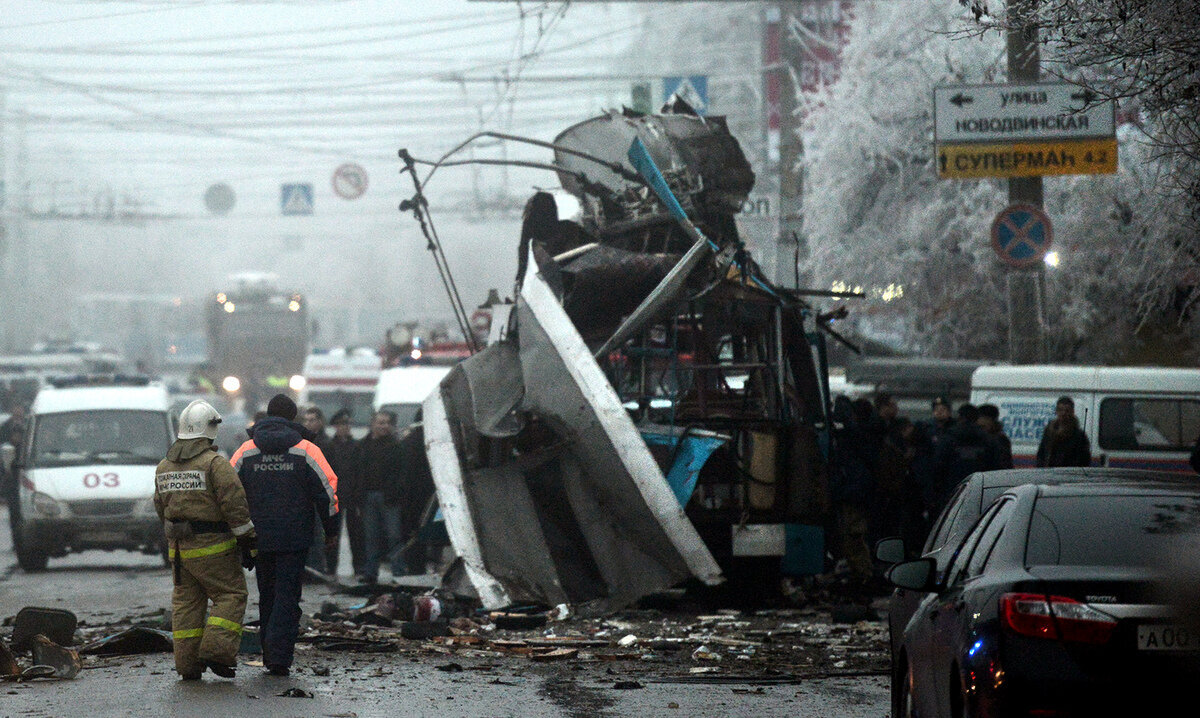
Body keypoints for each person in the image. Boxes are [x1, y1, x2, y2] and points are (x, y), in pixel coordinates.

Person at [232, 394, 338, 677]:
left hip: (258, 536)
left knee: (266, 594)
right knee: (287, 595)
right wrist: (332, 531)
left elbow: (229, 492)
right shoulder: (306, 450)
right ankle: (279, 656)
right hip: (295, 537)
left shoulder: (245, 451)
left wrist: (236, 532)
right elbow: (328, 493)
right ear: (294, 418)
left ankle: (269, 654)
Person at [154, 400, 256, 681]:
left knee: (187, 607)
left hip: (179, 552)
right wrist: (248, 540)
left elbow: (160, 507)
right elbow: (235, 506)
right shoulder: (215, 465)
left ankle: (187, 666)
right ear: (209, 430)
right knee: (231, 595)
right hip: (214, 549)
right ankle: (216, 652)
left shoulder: (164, 467)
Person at [355, 410, 406, 584]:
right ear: (373, 424)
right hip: (368, 496)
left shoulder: (397, 446)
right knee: (371, 536)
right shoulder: (363, 446)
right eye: (380, 422)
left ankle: (399, 573)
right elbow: (357, 473)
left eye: (387, 423)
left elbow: (401, 474)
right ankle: (371, 572)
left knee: (394, 536)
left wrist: (394, 493)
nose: (384, 426)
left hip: (389, 497)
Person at [934, 404, 1001, 514]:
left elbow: (938, 467)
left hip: (952, 492)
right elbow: (996, 467)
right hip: (980, 492)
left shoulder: (948, 438)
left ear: (959, 417)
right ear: (976, 418)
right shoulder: (988, 440)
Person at [302, 406, 340, 576]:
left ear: (320, 422)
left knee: (320, 535)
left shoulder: (327, 444)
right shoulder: (302, 443)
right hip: (305, 496)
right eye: (306, 420)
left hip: (321, 496)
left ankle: (318, 568)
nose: (308, 424)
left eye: (312, 420)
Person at [326, 409, 363, 576]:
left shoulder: (356, 446)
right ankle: (331, 567)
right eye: (342, 424)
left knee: (356, 534)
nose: (345, 427)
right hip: (335, 495)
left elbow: (361, 471)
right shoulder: (329, 446)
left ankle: (359, 567)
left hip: (353, 495)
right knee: (333, 535)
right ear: (335, 426)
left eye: (347, 424)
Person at [1036, 396, 1091, 467]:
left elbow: (1084, 461)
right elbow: (1041, 453)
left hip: (1068, 475)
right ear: (1056, 411)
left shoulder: (1079, 436)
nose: (1063, 413)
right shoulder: (1049, 431)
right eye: (1060, 410)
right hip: (1049, 474)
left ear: (1072, 412)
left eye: (1067, 410)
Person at [977, 403, 1014, 469]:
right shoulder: (977, 437)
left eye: (986, 418)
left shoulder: (1000, 439)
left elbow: (1005, 463)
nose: (980, 421)